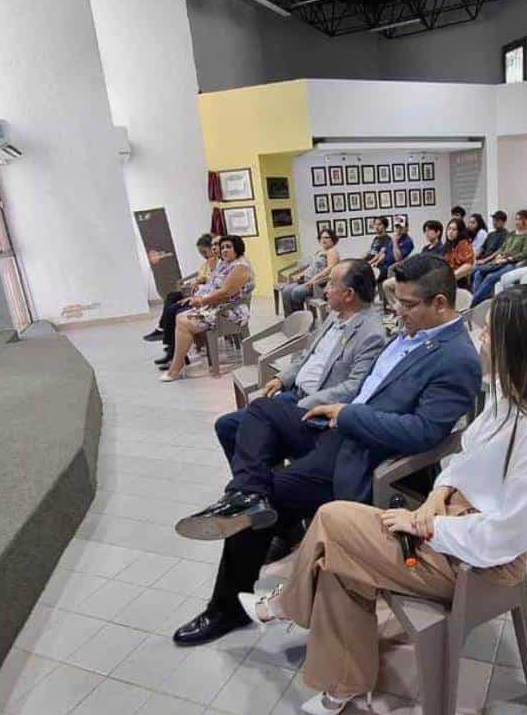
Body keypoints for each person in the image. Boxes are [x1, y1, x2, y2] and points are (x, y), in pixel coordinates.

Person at [237, 285, 527, 715]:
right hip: (453, 526)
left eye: (490, 334)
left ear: (518, 345)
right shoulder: (505, 400)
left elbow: (509, 532)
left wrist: (429, 527)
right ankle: (343, 681)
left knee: (330, 519)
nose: (480, 340)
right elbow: (463, 459)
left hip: (479, 562)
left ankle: (287, 608)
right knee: (340, 562)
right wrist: (436, 495)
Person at [170, 257, 482, 645]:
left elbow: (424, 432)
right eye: (397, 302)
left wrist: (348, 415)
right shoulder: (412, 333)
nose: (398, 311)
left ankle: (227, 606)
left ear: (440, 303)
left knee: (263, 495)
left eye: (407, 304)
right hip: (340, 426)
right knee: (260, 413)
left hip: (362, 449)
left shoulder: (457, 358)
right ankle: (247, 495)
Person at [212, 259, 387, 467]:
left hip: (313, 408)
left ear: (349, 294)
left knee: (246, 429)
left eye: (331, 284)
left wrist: (303, 404)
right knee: (227, 425)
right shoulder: (334, 315)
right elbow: (307, 354)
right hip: (293, 394)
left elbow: (353, 387)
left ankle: (257, 485)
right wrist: (282, 378)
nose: (325, 290)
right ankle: (255, 485)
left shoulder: (371, 334)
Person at [162, 235, 255, 381]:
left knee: (184, 321)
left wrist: (202, 300)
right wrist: (199, 298)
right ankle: (178, 363)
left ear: (237, 248)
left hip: (230, 311)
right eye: (222, 247)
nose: (224, 250)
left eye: (228, 247)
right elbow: (213, 285)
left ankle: (176, 367)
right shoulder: (225, 263)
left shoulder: (240, 267)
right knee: (179, 316)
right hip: (217, 305)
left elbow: (225, 292)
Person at [145, 234, 217, 364]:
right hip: (199, 295)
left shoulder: (218, 263)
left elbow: (215, 284)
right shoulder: (208, 263)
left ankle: (172, 349)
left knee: (174, 310)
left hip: (205, 299)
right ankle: (169, 342)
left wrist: (201, 283)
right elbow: (204, 279)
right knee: (171, 298)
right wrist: (194, 284)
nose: (203, 254)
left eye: (204, 251)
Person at [469, 209, 527, 300]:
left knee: (490, 277)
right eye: (516, 219)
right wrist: (499, 255)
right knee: (478, 273)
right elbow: (502, 248)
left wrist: (508, 259)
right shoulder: (512, 233)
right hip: (500, 260)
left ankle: (473, 303)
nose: (517, 222)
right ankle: (478, 300)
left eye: (520, 219)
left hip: (512, 263)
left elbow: (524, 253)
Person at [381, 220, 444, 311]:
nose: (426, 233)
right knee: (387, 284)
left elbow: (434, 266)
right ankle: (397, 308)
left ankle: (402, 308)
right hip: (415, 275)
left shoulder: (440, 248)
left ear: (438, 232)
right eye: (425, 231)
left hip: (425, 279)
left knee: (395, 284)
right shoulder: (425, 248)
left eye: (429, 230)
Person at [280, 229, 339, 313]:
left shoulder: (332, 252)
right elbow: (312, 267)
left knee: (296, 292)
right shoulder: (319, 251)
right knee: (286, 291)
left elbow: (331, 268)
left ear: (333, 239)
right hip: (306, 280)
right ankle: (291, 319)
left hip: (317, 284)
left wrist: (314, 279)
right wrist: (302, 274)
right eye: (321, 238)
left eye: (326, 237)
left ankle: (301, 319)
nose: (323, 240)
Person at [442, 218, 476, 284]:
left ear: (460, 231)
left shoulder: (464, 244)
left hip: (459, 281)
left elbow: (468, 266)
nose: (450, 232)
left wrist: (449, 278)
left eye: (454, 229)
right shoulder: (448, 245)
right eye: (449, 229)